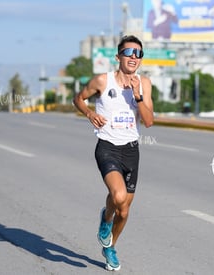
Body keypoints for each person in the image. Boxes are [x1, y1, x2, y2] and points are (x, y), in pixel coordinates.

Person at [73, 35, 154, 271]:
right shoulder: (102, 81)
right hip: (107, 146)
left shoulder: (145, 84)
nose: (133, 57)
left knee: (125, 209)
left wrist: (138, 95)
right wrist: (89, 114)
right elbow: (78, 98)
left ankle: (110, 247)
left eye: (138, 54)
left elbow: (148, 121)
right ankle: (106, 219)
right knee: (118, 197)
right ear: (118, 56)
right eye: (129, 52)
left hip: (131, 150)